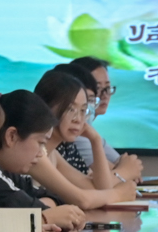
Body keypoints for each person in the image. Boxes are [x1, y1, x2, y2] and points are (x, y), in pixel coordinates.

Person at [28, 69, 136, 211]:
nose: (78, 119)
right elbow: (82, 199)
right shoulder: (35, 152)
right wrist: (119, 194)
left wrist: (95, 140)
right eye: (70, 109)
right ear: (45, 107)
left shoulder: (53, 154)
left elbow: (99, 188)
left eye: (83, 110)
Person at [0, 89, 88, 231]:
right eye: (40, 143)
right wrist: (46, 216)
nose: (41, 153)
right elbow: (31, 209)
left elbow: (55, 197)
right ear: (11, 136)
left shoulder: (7, 171)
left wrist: (42, 212)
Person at [62, 57, 146, 185]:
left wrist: (124, 170)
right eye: (98, 89)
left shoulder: (87, 131)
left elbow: (121, 164)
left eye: (107, 88)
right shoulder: (74, 134)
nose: (104, 95)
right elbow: (106, 181)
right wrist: (125, 172)